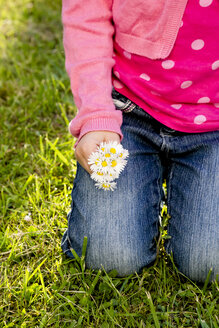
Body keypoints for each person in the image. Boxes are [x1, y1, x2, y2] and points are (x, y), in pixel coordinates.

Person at [61, 0, 219, 282]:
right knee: (108, 258)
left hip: (213, 121)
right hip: (127, 108)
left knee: (208, 263)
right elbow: (87, 15)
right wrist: (97, 115)